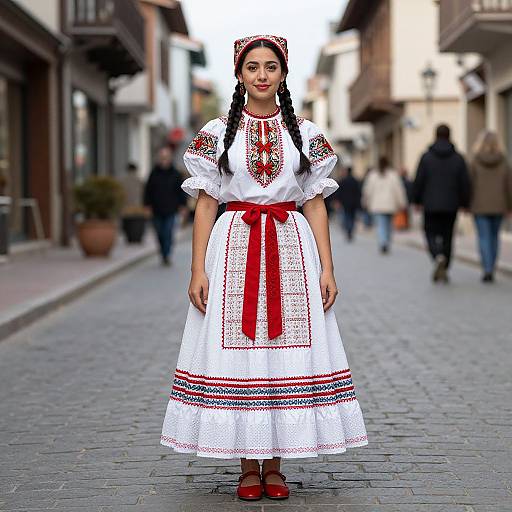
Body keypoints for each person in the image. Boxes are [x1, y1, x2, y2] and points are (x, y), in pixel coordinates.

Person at [159, 35, 368, 501]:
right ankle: (247, 467)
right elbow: (205, 202)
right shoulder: (217, 133)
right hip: (234, 248)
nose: (261, 75)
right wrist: (197, 270)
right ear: (239, 74)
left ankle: (275, 467)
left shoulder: (306, 134)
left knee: (283, 353)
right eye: (252, 66)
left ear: (283, 73)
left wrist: (327, 267)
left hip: (290, 247)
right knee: (240, 353)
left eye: (270, 66)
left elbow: (314, 203)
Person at [412, 124, 470, 283]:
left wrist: (416, 200)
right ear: (449, 135)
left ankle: (437, 255)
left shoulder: (426, 157)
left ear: (435, 135)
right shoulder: (458, 158)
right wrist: (465, 203)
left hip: (430, 204)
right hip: (451, 205)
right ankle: (445, 261)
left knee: (429, 232)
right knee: (448, 236)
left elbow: (419, 181)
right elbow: (464, 183)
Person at [468, 130, 512, 282]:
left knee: (483, 237)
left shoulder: (474, 161)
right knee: (494, 237)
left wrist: (467, 203)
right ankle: (491, 266)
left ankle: (486, 268)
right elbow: (509, 186)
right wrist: (509, 205)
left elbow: (469, 184)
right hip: (499, 205)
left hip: (479, 205)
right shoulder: (504, 161)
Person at [144, 146, 187, 266]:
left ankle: (167, 254)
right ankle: (163, 252)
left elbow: (181, 191)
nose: (164, 160)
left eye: (166, 157)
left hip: (171, 209)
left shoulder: (176, 174)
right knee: (159, 233)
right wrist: (147, 205)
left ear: (170, 158)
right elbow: (148, 190)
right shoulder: (154, 173)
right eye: (162, 157)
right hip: (156, 209)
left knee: (168, 232)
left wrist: (183, 206)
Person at [362, 156, 407, 254]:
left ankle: (383, 242)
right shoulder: (393, 175)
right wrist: (402, 203)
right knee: (388, 225)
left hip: (377, 205)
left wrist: (365, 202)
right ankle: (386, 241)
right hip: (390, 205)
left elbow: (367, 191)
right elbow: (399, 190)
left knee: (381, 225)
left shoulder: (372, 175)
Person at [336, 166, 361, 241]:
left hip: (345, 202)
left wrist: (338, 200)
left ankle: (348, 230)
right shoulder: (355, 181)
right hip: (354, 202)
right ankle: (350, 230)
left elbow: (339, 192)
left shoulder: (343, 181)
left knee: (346, 216)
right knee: (352, 217)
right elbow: (358, 192)